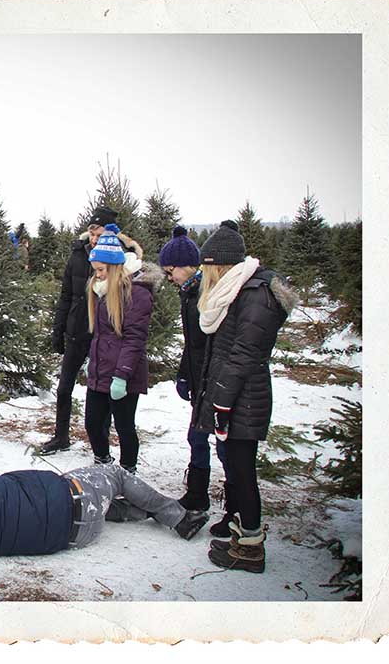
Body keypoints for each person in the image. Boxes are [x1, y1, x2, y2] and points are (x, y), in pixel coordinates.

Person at [191, 220, 297, 573]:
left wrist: (221, 403)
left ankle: (250, 548)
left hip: (243, 399)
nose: (205, 275)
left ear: (219, 265)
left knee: (242, 471)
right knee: (237, 469)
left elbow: (243, 355)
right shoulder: (236, 291)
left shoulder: (255, 295)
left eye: (208, 268)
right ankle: (243, 534)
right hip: (233, 396)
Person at [0, 463, 209, 557]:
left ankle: (144, 512)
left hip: (78, 536)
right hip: (77, 496)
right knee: (115, 475)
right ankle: (178, 518)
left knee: (102, 506)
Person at [39, 205, 117, 456]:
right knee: (64, 388)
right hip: (76, 331)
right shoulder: (77, 256)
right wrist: (58, 329)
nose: (94, 239)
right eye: (91, 233)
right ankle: (60, 436)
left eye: (99, 234)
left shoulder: (118, 259)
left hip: (102, 336)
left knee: (101, 392)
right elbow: (66, 295)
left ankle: (101, 446)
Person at [83, 224, 161, 474]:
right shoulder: (101, 290)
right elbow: (101, 334)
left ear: (115, 267)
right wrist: (91, 360)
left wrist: (122, 375)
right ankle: (103, 464)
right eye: (95, 270)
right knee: (93, 423)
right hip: (101, 369)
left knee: (124, 426)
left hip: (123, 374)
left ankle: (128, 472)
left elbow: (134, 339)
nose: (97, 275)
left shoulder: (137, 293)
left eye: (101, 270)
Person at [159, 226, 216, 512]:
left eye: (171, 271)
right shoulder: (189, 292)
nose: (170, 278)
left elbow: (211, 346)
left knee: (215, 441)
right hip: (198, 377)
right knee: (196, 436)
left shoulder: (206, 294)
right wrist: (184, 374)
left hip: (214, 381)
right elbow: (192, 344)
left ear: (186, 266)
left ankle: (230, 501)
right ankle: (197, 493)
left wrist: (206, 380)